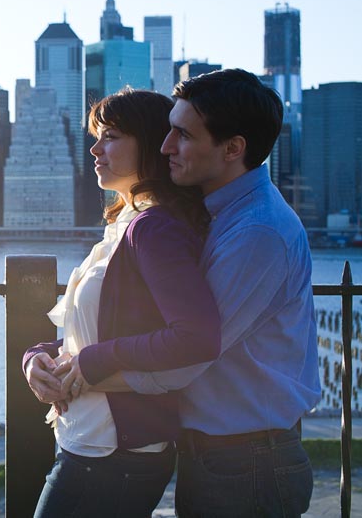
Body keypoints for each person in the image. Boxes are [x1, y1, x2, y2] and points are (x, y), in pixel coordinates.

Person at [59, 69, 321, 517]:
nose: (165, 146)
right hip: (219, 457)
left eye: (181, 134)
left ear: (233, 148)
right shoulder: (212, 216)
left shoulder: (257, 232)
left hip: (247, 462)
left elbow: (188, 357)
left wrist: (84, 369)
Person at [23, 88, 222, 517]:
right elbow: (98, 326)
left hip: (113, 455)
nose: (95, 148)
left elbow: (196, 337)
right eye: (96, 136)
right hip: (90, 443)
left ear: (150, 143)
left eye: (110, 136)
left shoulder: (153, 229)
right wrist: (37, 358)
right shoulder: (126, 223)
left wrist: (95, 360)